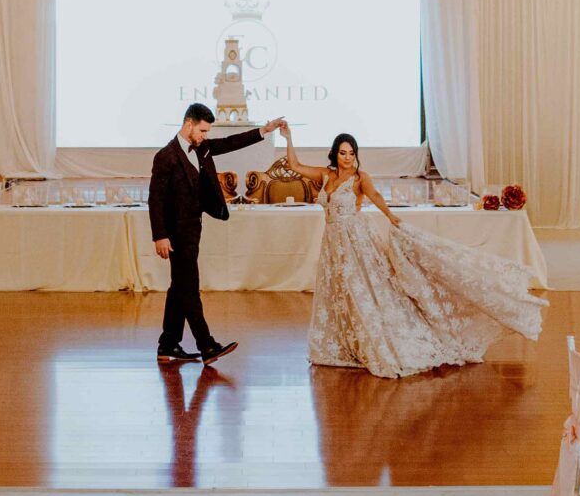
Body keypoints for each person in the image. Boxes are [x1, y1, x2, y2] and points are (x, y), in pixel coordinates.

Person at [292, 125, 545, 378]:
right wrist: (288, 137)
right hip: (333, 242)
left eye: (351, 153)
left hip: (354, 239)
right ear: (335, 154)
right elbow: (296, 166)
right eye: (342, 153)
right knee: (340, 291)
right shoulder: (326, 175)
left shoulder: (359, 178)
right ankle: (347, 342)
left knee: (364, 290)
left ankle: (375, 340)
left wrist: (391, 217)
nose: (347, 158)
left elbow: (377, 196)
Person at [149, 102, 282, 364]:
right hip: (175, 235)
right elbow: (155, 200)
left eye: (207, 132)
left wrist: (263, 130)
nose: (205, 136)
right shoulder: (165, 156)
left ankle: (168, 345)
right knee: (189, 289)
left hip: (193, 230)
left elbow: (231, 142)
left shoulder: (202, 148)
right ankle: (207, 345)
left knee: (180, 287)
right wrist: (160, 236)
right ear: (188, 124)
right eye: (202, 131)